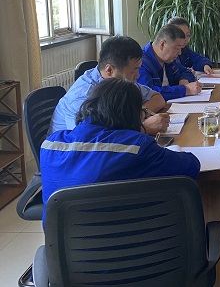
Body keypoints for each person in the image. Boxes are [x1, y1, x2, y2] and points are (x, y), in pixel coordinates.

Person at [40, 78, 201, 224]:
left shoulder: (50, 145)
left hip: (66, 246)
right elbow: (191, 166)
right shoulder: (137, 146)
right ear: (132, 114)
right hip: (141, 242)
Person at [50, 36, 169, 135]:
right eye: (134, 70)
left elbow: (158, 99)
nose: (138, 75)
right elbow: (87, 141)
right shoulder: (83, 97)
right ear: (110, 70)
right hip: (69, 153)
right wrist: (143, 128)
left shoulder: (118, 82)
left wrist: (140, 113)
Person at [138, 24, 203, 101]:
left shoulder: (167, 59)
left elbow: (185, 71)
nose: (180, 53)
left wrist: (184, 80)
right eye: (177, 48)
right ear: (162, 44)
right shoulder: (140, 62)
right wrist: (185, 90)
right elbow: (148, 93)